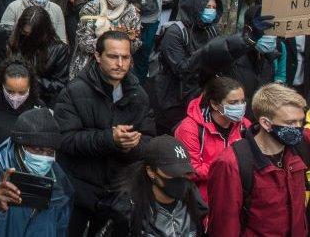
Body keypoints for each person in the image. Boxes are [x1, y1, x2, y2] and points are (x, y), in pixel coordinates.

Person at [55, 30, 156, 236]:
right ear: (98, 56)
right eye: (113, 56)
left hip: (118, 195)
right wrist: (109, 139)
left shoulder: (139, 95)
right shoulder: (74, 91)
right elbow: (65, 139)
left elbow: (149, 141)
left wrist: (133, 144)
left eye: (125, 57)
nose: (120, 63)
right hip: (79, 192)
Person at [208, 83, 310, 237]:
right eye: (290, 123)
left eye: (301, 122)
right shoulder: (231, 163)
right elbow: (225, 227)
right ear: (265, 123)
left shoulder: (300, 146)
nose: (298, 128)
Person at [0, 108, 72, 237]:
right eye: (37, 149)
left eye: (50, 152)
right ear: (19, 147)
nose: (44, 157)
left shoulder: (58, 179)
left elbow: (61, 226)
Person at [0, 6, 70, 106]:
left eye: (32, 35)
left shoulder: (58, 49)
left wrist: (28, 81)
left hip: (33, 102)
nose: (27, 37)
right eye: (24, 33)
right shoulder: (5, 33)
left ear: (42, 33)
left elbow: (60, 84)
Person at [151, 0, 222, 134]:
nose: (211, 11)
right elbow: (181, 69)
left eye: (214, 8)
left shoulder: (211, 31)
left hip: (200, 94)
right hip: (173, 96)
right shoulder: (175, 32)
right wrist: (206, 52)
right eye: (207, 7)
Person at [173, 76, 249, 204]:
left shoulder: (245, 125)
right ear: (214, 104)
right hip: (204, 200)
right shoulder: (189, 128)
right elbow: (190, 169)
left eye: (242, 101)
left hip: (238, 197)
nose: (240, 107)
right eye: (233, 103)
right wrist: (228, 168)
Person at [126, 135, 208, 237]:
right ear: (151, 171)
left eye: (185, 172)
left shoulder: (194, 201)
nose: (180, 178)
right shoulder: (129, 209)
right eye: (173, 172)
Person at [72, 0, 142, 78]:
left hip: (120, 67)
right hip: (89, 66)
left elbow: (135, 45)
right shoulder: (91, 9)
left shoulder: (131, 12)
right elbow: (84, 42)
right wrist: (114, 38)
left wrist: (131, 40)